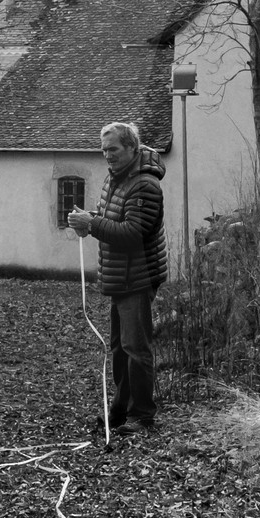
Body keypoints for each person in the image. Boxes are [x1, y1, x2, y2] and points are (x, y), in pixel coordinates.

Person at [69, 121, 168, 434]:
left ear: (132, 148)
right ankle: (122, 411)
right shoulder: (117, 180)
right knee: (119, 348)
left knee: (136, 349)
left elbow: (133, 233)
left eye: (113, 149)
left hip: (137, 279)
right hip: (120, 278)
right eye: (103, 150)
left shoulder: (144, 186)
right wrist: (88, 222)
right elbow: (112, 221)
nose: (107, 155)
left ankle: (143, 416)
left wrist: (93, 224)